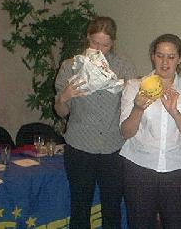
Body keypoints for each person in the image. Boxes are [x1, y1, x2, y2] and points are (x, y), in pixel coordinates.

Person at [54, 16, 137, 229]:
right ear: (87, 38)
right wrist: (64, 96)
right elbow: (61, 112)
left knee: (112, 207)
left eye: (105, 45)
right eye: (95, 43)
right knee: (80, 207)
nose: (99, 49)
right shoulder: (71, 66)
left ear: (113, 43)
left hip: (113, 148)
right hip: (80, 146)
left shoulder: (124, 67)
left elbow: (132, 107)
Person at [120, 33, 181, 229]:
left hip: (178, 170)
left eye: (171, 57)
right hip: (139, 168)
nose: (165, 62)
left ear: (180, 58)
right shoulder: (134, 86)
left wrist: (175, 112)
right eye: (160, 55)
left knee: (178, 224)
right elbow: (126, 132)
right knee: (140, 224)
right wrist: (138, 108)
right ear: (153, 56)